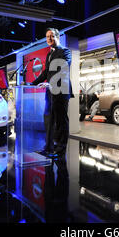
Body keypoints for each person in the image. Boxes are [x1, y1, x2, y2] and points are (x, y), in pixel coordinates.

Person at [31, 28, 73, 157]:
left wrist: (51, 83)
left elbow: (63, 70)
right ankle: (48, 148)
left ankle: (60, 150)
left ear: (58, 37)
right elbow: (46, 72)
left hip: (61, 90)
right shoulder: (49, 54)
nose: (49, 38)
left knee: (61, 122)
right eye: (47, 36)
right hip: (50, 92)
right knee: (48, 121)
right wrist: (32, 83)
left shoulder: (65, 51)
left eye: (52, 36)